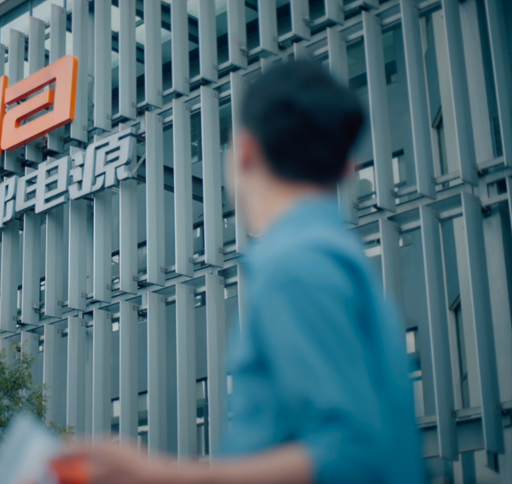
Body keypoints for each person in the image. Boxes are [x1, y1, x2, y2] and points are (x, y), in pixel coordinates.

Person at [52, 60, 423, 484]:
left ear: (244, 151)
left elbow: (354, 455)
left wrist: (157, 475)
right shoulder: (334, 258)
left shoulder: (296, 266)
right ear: (345, 168)